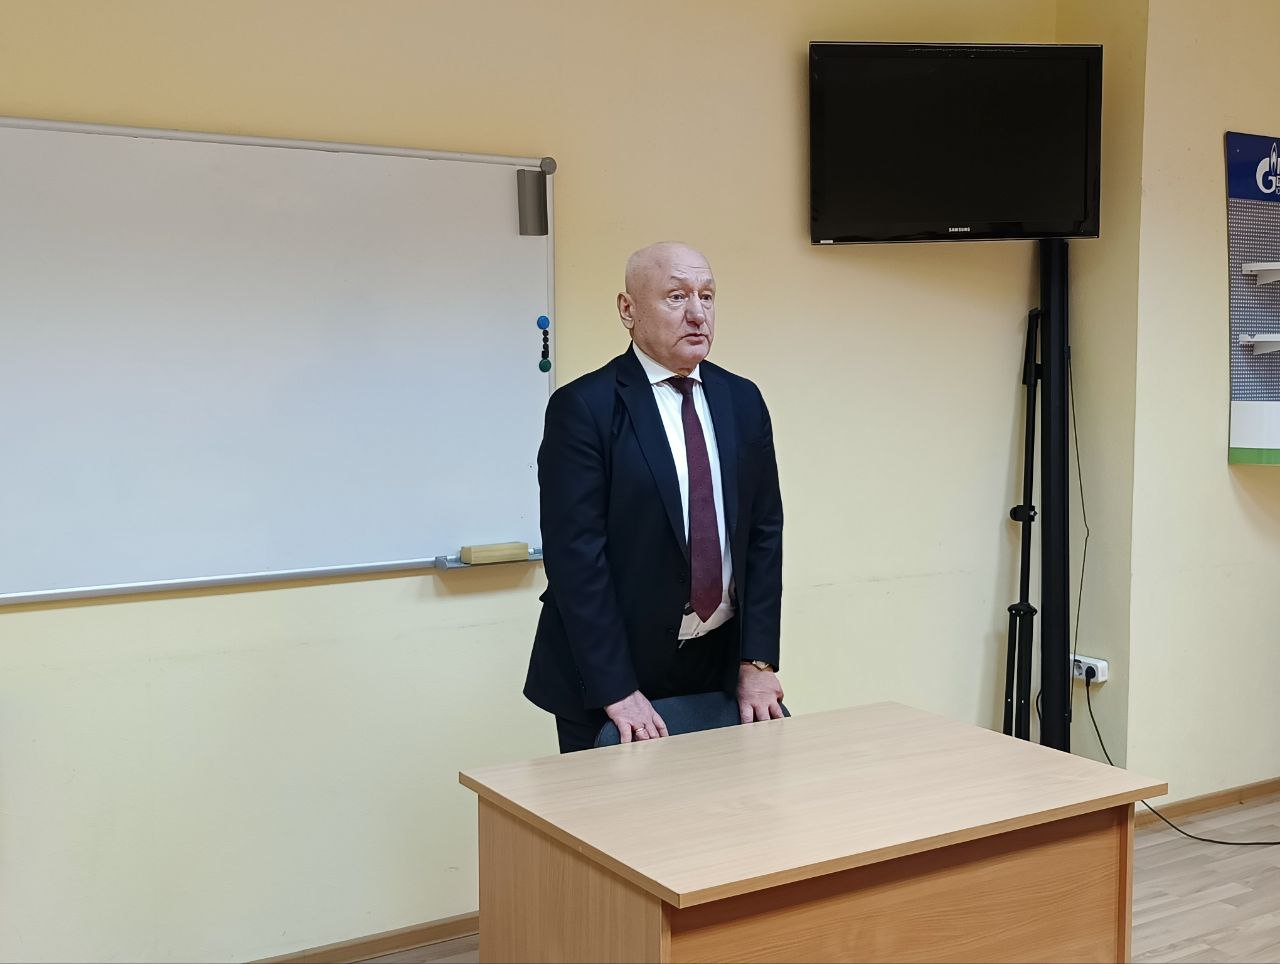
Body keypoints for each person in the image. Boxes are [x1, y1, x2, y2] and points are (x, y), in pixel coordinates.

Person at [523, 241, 784, 753]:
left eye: (707, 296)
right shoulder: (584, 407)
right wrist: (616, 690)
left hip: (718, 663)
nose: (697, 313)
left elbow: (763, 534)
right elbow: (577, 559)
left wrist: (757, 661)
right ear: (628, 309)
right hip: (612, 673)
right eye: (676, 296)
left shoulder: (742, 399)